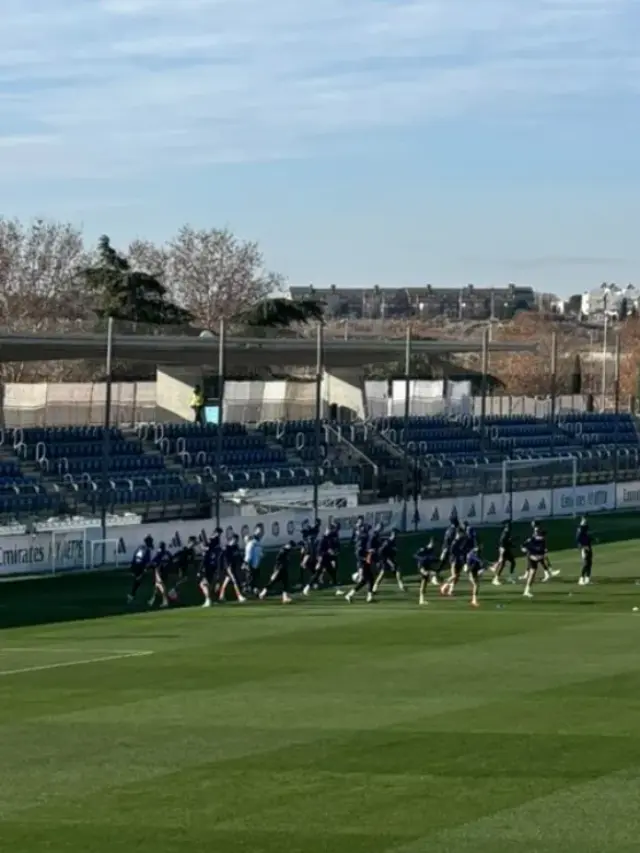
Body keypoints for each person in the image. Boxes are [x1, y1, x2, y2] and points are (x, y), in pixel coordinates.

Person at [521, 524, 548, 599]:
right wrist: (524, 549)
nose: (542, 537)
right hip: (532, 557)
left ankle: (526, 591)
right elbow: (523, 546)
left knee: (533, 573)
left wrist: (543, 554)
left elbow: (543, 550)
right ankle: (526, 591)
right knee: (532, 573)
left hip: (538, 557)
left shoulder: (543, 541)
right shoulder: (531, 539)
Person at [218, 533, 246, 602]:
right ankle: (239, 596)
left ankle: (221, 596)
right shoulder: (227, 548)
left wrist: (243, 563)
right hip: (228, 567)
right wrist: (226, 567)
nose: (236, 542)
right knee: (234, 580)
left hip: (234, 566)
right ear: (232, 539)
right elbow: (222, 559)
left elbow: (239, 556)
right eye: (236, 540)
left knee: (226, 581)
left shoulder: (236, 547)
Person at [440, 527, 467, 597]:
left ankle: (450, 591)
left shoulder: (462, 540)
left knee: (457, 577)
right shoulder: (455, 541)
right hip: (454, 560)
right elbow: (452, 551)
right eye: (462, 533)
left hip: (459, 560)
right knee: (454, 575)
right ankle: (444, 586)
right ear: (459, 533)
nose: (463, 534)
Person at [127, 534, 154, 603]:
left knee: (138, 581)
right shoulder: (147, 550)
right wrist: (145, 569)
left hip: (135, 565)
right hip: (140, 566)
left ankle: (132, 594)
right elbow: (147, 562)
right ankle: (132, 595)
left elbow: (135, 555)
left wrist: (132, 566)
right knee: (139, 580)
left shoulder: (140, 547)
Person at [491, 521, 516, 585]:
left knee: (513, 562)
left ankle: (510, 577)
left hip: (506, 549)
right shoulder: (505, 533)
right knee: (502, 564)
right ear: (506, 527)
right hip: (504, 549)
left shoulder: (507, 532)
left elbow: (506, 541)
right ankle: (495, 579)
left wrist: (511, 543)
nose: (510, 528)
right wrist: (510, 543)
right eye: (509, 527)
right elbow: (502, 542)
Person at [148, 541, 172, 608]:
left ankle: (165, 601)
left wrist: (149, 566)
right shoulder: (167, 553)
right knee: (157, 587)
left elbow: (153, 562)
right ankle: (153, 600)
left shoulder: (159, 553)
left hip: (159, 572)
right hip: (166, 572)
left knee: (161, 587)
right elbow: (171, 561)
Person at [415, 538, 437, 606]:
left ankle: (421, 600)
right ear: (430, 543)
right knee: (429, 573)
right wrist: (423, 558)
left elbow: (430, 559)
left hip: (427, 566)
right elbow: (415, 555)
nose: (433, 545)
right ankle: (433, 579)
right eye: (433, 544)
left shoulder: (432, 550)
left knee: (424, 584)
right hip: (421, 566)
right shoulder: (423, 549)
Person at [576, 516, 594, 586]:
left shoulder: (584, 528)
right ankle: (581, 579)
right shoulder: (580, 529)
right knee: (586, 563)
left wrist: (592, 539)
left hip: (588, 547)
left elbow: (587, 537)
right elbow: (578, 540)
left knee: (589, 563)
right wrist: (583, 547)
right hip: (584, 548)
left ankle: (587, 579)